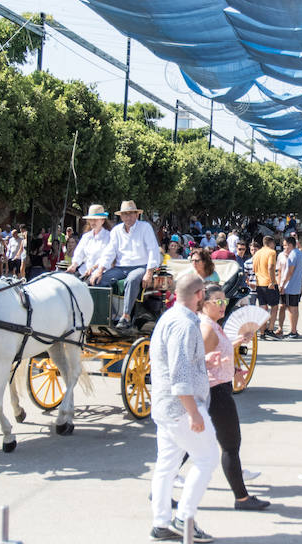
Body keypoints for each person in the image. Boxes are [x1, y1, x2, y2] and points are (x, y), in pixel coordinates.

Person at [148, 273, 218, 543]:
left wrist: (204, 361)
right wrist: (194, 412)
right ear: (199, 295)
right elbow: (179, 375)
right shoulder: (185, 325)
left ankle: (161, 522)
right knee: (207, 458)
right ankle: (184, 518)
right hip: (180, 407)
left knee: (167, 465)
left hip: (166, 406)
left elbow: (180, 363)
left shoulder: (170, 317)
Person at [197, 283, 271, 512]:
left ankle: (163, 489)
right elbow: (198, 361)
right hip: (216, 392)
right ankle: (242, 498)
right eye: (217, 302)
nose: (223, 305)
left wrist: (236, 361)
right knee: (230, 446)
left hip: (216, 389)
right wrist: (222, 368)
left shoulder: (212, 325)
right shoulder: (208, 328)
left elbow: (222, 349)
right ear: (204, 303)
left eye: (224, 301)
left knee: (190, 447)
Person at [92, 200, 162, 334]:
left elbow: (153, 250)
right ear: (121, 216)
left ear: (137, 215)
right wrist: (99, 270)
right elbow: (109, 252)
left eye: (131, 214)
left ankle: (126, 316)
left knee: (131, 279)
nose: (128, 217)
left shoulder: (145, 227)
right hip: (120, 267)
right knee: (98, 280)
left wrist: (149, 272)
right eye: (125, 215)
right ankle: (108, 315)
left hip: (140, 266)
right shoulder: (116, 230)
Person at [66, 205, 111, 278]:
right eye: (91, 219)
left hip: (101, 272)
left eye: (96, 220)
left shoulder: (109, 237)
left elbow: (107, 257)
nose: (93, 222)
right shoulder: (86, 237)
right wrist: (74, 265)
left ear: (102, 220)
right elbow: (79, 253)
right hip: (84, 271)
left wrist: (93, 268)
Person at [275, 236, 302, 338]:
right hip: (295, 286)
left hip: (290, 286)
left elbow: (290, 272)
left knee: (292, 309)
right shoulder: (300, 254)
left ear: (290, 245)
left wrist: (282, 284)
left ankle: (293, 331)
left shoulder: (292, 255)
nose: (284, 248)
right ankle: (289, 329)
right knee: (290, 308)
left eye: (285, 245)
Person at [253, 236, 279, 339]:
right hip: (269, 283)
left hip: (259, 283)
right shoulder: (271, 252)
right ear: (271, 243)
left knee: (263, 307)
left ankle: (262, 332)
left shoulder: (257, 253)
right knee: (274, 306)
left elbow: (254, 268)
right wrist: (272, 281)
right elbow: (271, 266)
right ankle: (270, 328)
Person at [243, 241, 259, 305]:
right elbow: (245, 276)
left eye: (255, 249)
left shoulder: (263, 262)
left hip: (261, 288)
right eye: (252, 250)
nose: (253, 251)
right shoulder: (247, 263)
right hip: (251, 289)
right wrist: (249, 283)